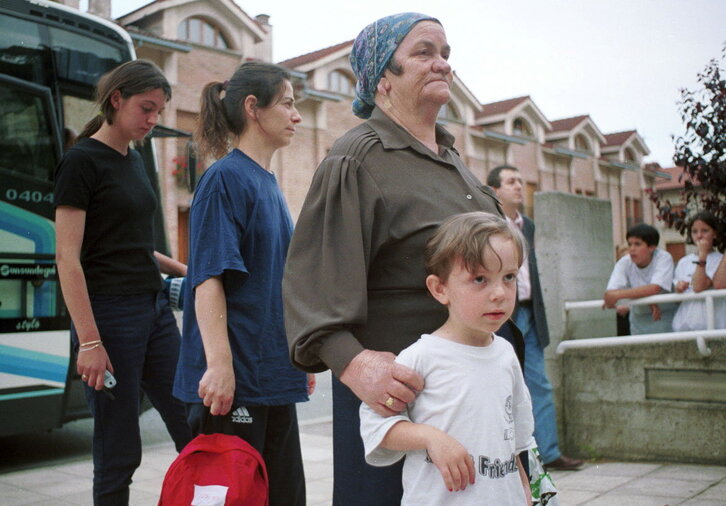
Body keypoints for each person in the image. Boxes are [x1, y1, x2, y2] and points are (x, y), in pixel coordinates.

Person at [282, 13, 508, 505]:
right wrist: (355, 365)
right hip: (399, 405)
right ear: (383, 77)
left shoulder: (455, 162)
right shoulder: (356, 158)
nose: (442, 64)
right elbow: (312, 285)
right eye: (424, 52)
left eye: (445, 54)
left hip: (475, 399)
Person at [173, 62, 312, 506]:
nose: (296, 115)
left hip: (271, 376)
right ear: (253, 107)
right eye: (287, 103)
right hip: (234, 386)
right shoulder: (224, 179)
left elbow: (276, 285)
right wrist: (219, 366)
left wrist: (299, 357)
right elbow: (208, 279)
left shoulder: (267, 182)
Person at [54, 59, 192, 505]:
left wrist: (188, 271)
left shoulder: (133, 159)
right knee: (119, 449)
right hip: (109, 318)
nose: (152, 119)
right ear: (117, 99)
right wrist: (90, 342)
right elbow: (68, 258)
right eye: (146, 108)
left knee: (192, 422)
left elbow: (132, 244)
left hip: (154, 311)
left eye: (158, 111)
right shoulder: (80, 162)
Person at [359, 212, 535, 505]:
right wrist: (430, 437)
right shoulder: (421, 357)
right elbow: (375, 425)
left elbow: (515, 437)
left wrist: (524, 490)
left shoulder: (506, 353)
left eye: (509, 277)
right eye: (480, 279)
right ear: (440, 289)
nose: (499, 293)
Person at [487, 165, 583, 471]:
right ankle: (508, 459)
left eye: (520, 180)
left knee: (539, 384)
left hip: (530, 311)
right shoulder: (487, 223)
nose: (519, 186)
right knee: (500, 386)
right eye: (511, 181)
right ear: (494, 191)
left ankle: (549, 453)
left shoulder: (527, 225)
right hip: (504, 316)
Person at [603, 224, 677, 334]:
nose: (632, 249)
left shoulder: (663, 258)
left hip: (665, 318)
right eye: (630, 244)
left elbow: (655, 288)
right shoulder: (624, 262)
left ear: (652, 247)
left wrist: (618, 295)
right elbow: (610, 293)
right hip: (638, 322)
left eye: (637, 244)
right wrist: (648, 299)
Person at [672, 211, 726, 331]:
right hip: (685, 325)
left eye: (705, 231)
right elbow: (678, 296)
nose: (699, 235)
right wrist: (679, 288)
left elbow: (699, 286)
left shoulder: (720, 260)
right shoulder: (683, 261)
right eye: (694, 231)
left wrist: (702, 255)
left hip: (712, 326)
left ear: (715, 234)